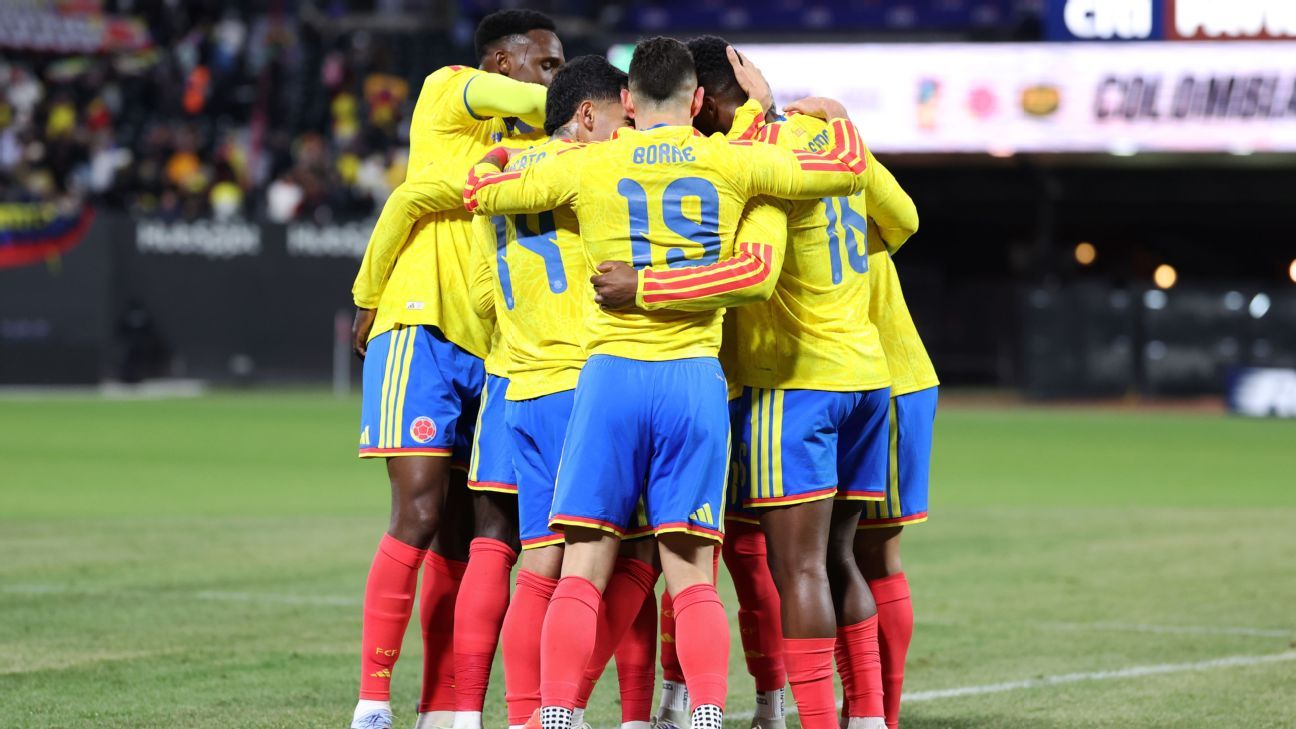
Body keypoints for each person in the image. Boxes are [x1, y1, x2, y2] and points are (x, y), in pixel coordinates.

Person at [466, 35, 873, 729]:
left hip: (610, 379)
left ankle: (558, 716)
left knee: (583, 566)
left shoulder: (589, 163)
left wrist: (508, 153)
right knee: (690, 573)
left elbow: (481, 188)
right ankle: (707, 713)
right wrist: (798, 111)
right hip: (692, 380)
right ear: (695, 100)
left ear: (626, 101)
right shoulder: (734, 160)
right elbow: (846, 167)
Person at [689, 39, 921, 729]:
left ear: (698, 101)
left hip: (792, 384)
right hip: (867, 377)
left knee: (799, 572)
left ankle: (817, 719)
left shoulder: (743, 159)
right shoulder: (826, 134)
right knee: (839, 556)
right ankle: (870, 717)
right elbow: (903, 220)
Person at [347, 10, 563, 729]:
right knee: (419, 509)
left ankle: (447, 706)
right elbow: (544, 107)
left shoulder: (533, 148)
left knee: (474, 534)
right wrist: (604, 104)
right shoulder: (450, 88)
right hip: (423, 321)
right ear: (503, 63)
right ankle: (372, 701)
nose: (552, 80)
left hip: (495, 345)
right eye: (547, 63)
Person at [847, 219, 939, 729]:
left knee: (873, 553)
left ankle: (882, 712)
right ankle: (864, 705)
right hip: (834, 382)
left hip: (890, 380)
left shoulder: (846, 160)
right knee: (829, 555)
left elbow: (905, 217)